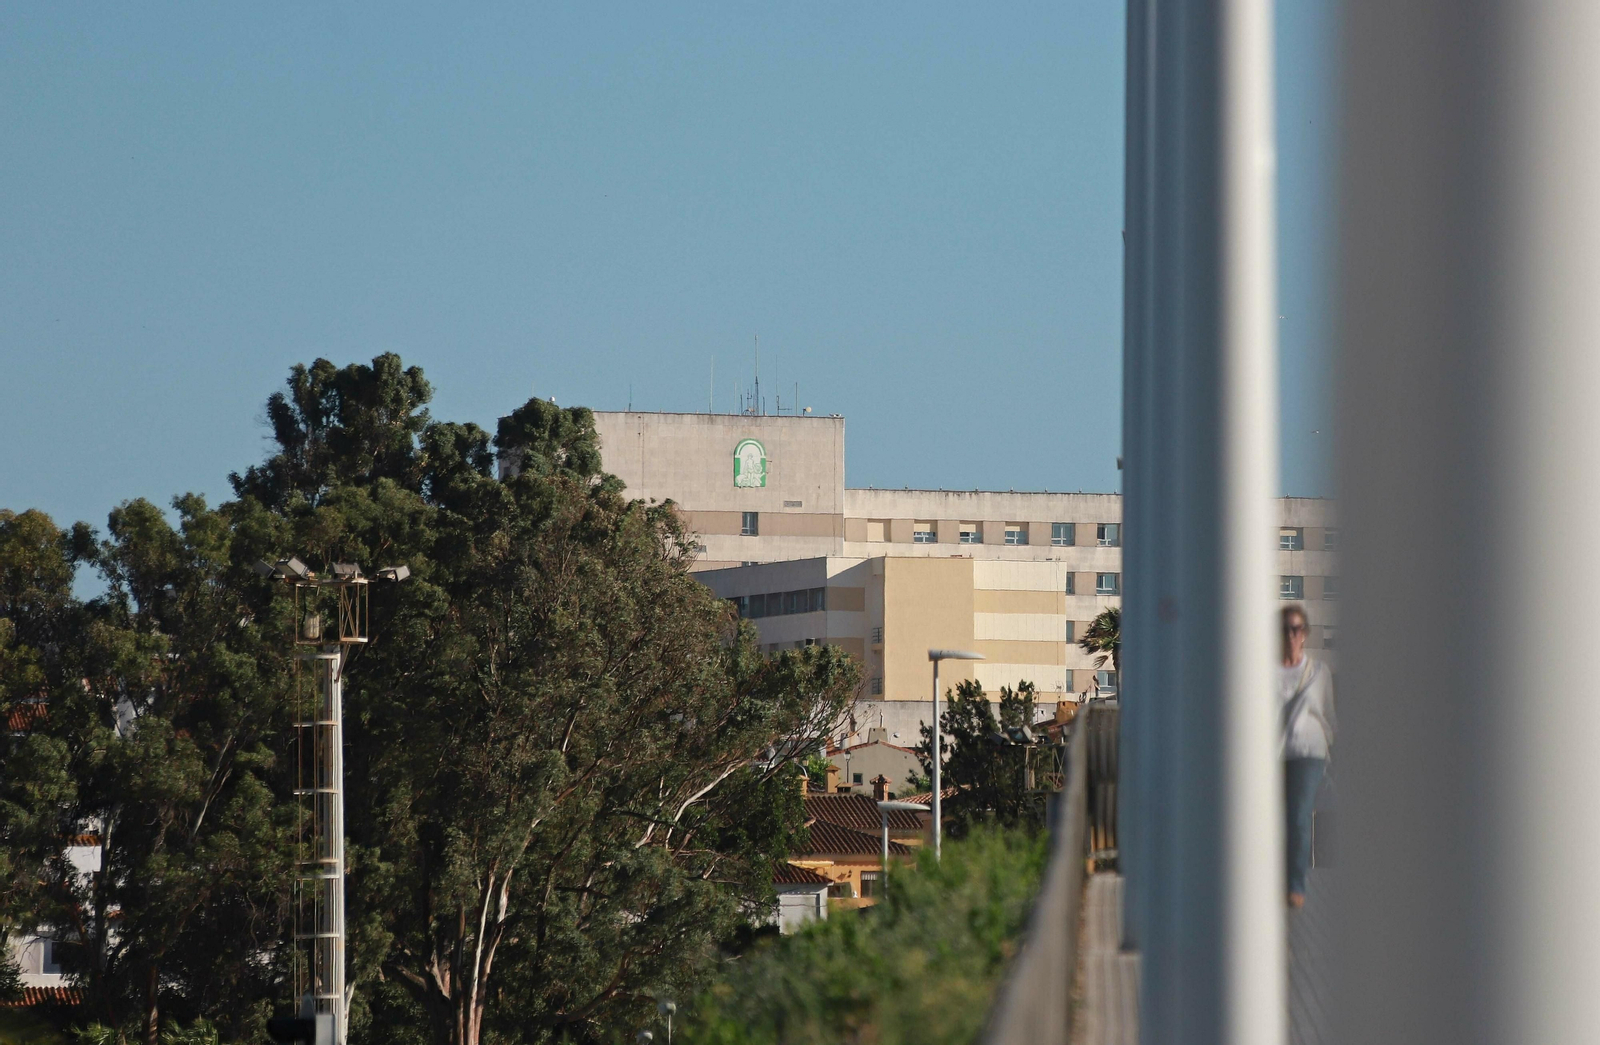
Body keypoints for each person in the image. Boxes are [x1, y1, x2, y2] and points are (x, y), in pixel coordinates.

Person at [1281, 604, 1335, 909]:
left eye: (1297, 629)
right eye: (1286, 629)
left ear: (1305, 635)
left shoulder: (1318, 672)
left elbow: (1329, 715)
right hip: (1276, 754)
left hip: (1308, 753)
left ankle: (1295, 886)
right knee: (1279, 818)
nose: (1291, 635)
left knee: (1300, 816)